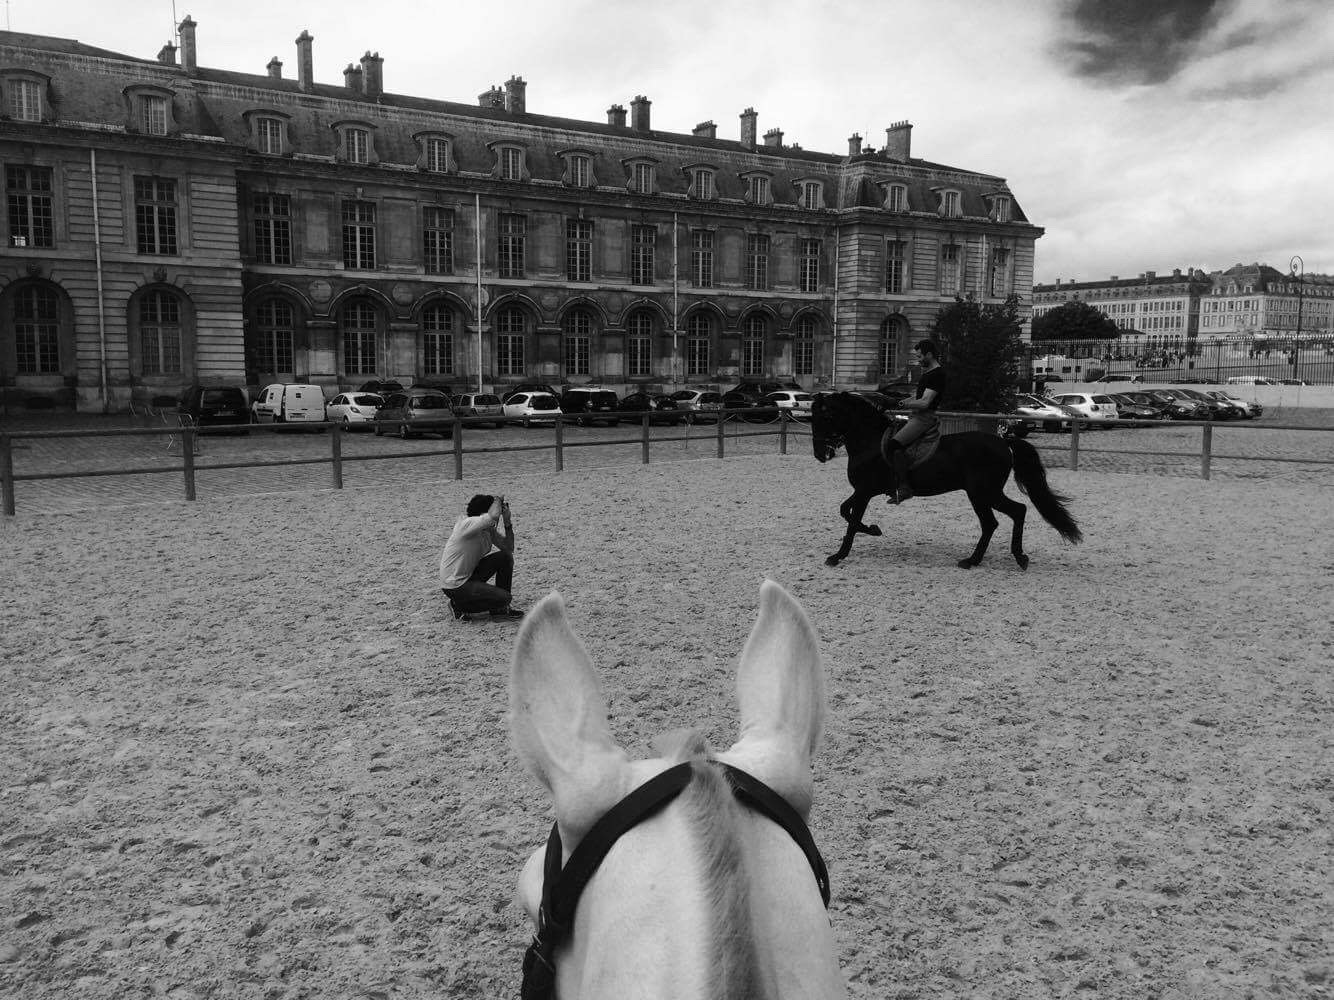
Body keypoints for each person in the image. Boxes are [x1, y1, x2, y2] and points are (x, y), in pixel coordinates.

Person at [439, 494, 522, 620]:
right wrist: (498, 500)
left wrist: (507, 521)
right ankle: (458, 605)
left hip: (467, 576)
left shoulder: (487, 530)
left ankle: (500, 609)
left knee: (505, 557)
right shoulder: (466, 524)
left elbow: (509, 548)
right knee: (504, 598)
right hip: (455, 585)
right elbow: (492, 516)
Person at [882, 339, 945, 503]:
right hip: (915, 415)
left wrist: (902, 404)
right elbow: (917, 397)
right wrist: (896, 400)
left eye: (919, 356)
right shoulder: (928, 373)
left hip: (924, 417)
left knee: (894, 445)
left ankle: (904, 487)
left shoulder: (937, 374)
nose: (918, 360)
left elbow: (925, 402)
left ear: (929, 354)